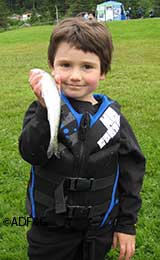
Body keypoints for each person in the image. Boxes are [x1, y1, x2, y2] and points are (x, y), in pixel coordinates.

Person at [19, 17, 145, 260]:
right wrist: (45, 110)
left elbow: (132, 171)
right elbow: (30, 152)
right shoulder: (41, 110)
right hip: (49, 235)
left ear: (103, 71)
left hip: (98, 233)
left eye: (87, 67)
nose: (75, 76)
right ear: (52, 67)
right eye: (65, 65)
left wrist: (126, 224)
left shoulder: (113, 119)